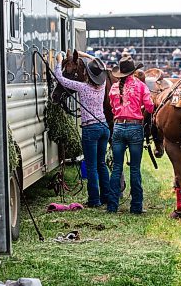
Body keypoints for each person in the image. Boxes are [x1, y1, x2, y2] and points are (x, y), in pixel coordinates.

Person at [55, 51, 110, 207]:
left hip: (90, 128)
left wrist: (59, 61)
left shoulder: (82, 87)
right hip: (104, 126)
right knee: (101, 164)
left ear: (86, 73)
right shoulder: (103, 84)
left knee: (91, 166)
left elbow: (60, 78)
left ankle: (94, 200)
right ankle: (105, 196)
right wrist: (86, 56)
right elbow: (101, 65)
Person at [107, 56, 154, 214]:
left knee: (116, 169)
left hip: (119, 127)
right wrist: (139, 110)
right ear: (133, 71)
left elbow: (113, 109)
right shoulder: (140, 86)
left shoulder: (113, 88)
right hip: (135, 128)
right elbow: (150, 106)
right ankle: (136, 207)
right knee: (134, 169)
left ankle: (112, 205)